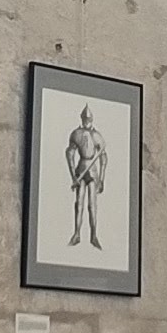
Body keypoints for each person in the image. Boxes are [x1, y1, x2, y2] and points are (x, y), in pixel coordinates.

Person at [65, 104, 107, 250]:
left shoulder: (97, 136)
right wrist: (73, 176)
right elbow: (70, 154)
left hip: (93, 171)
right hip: (81, 168)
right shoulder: (76, 134)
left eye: (88, 119)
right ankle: (77, 234)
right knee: (79, 203)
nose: (87, 121)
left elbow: (103, 157)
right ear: (82, 118)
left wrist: (102, 179)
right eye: (85, 118)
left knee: (92, 205)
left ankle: (93, 235)